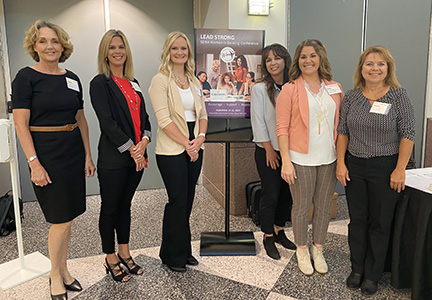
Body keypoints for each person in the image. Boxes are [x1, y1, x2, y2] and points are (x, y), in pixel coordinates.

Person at [12, 20, 95, 300]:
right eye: (43, 41)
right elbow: (20, 124)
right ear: (34, 46)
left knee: (68, 217)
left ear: (63, 46)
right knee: (59, 219)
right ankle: (54, 275)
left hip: (72, 151)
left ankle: (64, 268)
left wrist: (87, 154)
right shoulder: (26, 77)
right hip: (46, 154)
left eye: (55, 41)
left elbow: (80, 118)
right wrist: (34, 162)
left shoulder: (71, 77)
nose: (50, 46)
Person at [336, 46, 415, 296]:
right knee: (357, 220)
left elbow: (408, 135)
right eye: (369, 63)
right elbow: (342, 132)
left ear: (388, 68)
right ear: (361, 68)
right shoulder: (351, 97)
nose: (375, 68)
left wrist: (400, 169)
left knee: (380, 223)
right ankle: (357, 269)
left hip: (386, 167)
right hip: (355, 166)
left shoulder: (399, 97)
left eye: (381, 64)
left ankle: (373, 274)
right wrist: (340, 162)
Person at [276, 39, 343, 275]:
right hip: (300, 158)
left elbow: (341, 126)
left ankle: (318, 248)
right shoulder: (290, 89)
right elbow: (282, 127)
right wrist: (285, 160)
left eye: (313, 55)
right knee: (302, 207)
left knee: (324, 207)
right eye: (303, 56)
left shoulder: (334, 88)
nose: (308, 60)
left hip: (329, 157)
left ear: (321, 58)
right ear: (297, 61)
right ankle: (302, 250)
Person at [90, 29, 151, 282]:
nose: (118, 52)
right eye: (112, 47)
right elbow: (107, 122)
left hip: (138, 155)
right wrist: (131, 148)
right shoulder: (100, 83)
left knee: (126, 206)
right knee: (110, 207)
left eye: (121, 47)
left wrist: (144, 141)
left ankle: (125, 251)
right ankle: (110, 256)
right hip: (115, 159)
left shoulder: (133, 82)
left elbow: (145, 119)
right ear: (105, 52)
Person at [148, 31, 208, 273]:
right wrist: (187, 143)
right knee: (177, 200)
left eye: (184, 48)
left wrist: (200, 139)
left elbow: (202, 114)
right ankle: (172, 255)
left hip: (195, 142)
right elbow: (163, 120)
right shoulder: (160, 80)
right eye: (175, 49)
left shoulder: (195, 81)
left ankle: (183, 250)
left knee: (188, 200)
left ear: (189, 52)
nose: (180, 52)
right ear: (168, 52)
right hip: (172, 147)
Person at [251, 44, 296, 260]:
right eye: (268, 60)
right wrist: (269, 149)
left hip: (291, 152)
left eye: (277, 58)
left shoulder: (294, 86)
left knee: (287, 195)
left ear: (286, 60)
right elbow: (258, 121)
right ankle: (268, 236)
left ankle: (279, 230)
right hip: (267, 151)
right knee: (271, 194)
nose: (273, 63)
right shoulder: (259, 88)